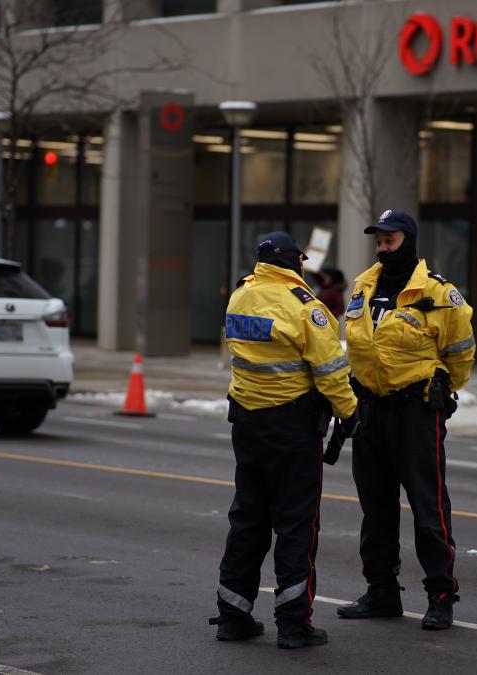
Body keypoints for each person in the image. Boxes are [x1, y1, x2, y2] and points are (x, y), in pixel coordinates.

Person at [210, 231, 357, 649]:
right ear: (294, 261)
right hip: (292, 427)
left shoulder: (240, 296)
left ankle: (233, 616)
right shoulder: (306, 307)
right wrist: (349, 412)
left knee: (248, 520)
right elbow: (331, 372)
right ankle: (293, 624)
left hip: (247, 423)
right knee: (296, 524)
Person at [337, 209, 476, 630]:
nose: (382, 248)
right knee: (375, 509)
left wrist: (442, 388)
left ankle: (441, 596)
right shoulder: (364, 286)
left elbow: (461, 352)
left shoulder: (437, 292)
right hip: (371, 410)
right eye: (378, 241)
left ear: (409, 241)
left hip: (416, 412)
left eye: (390, 241)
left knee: (428, 508)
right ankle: (381, 591)